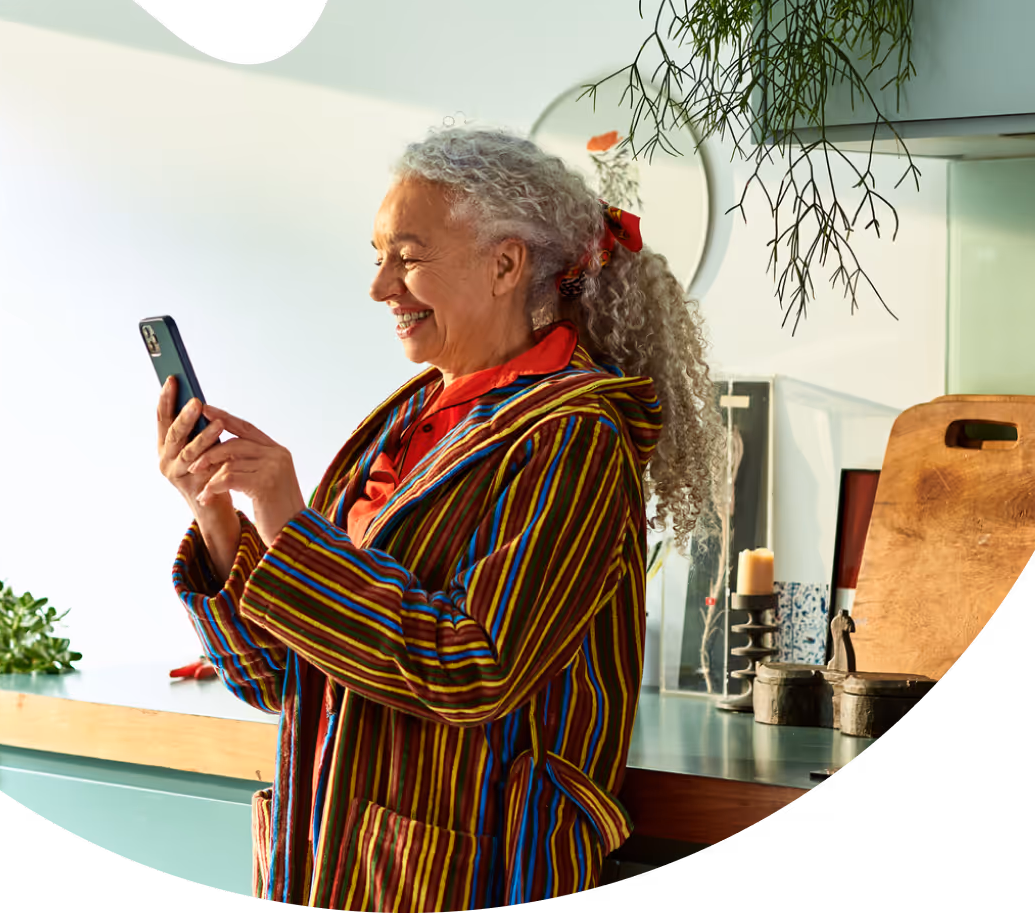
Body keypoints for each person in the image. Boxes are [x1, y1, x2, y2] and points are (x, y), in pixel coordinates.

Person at [158, 124, 722, 908]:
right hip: (332, 859)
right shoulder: (410, 415)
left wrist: (288, 522)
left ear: (504, 264)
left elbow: (474, 666)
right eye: (378, 255)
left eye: (409, 256)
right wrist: (221, 517)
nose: (380, 285)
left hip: (466, 873)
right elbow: (284, 677)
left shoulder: (573, 435)